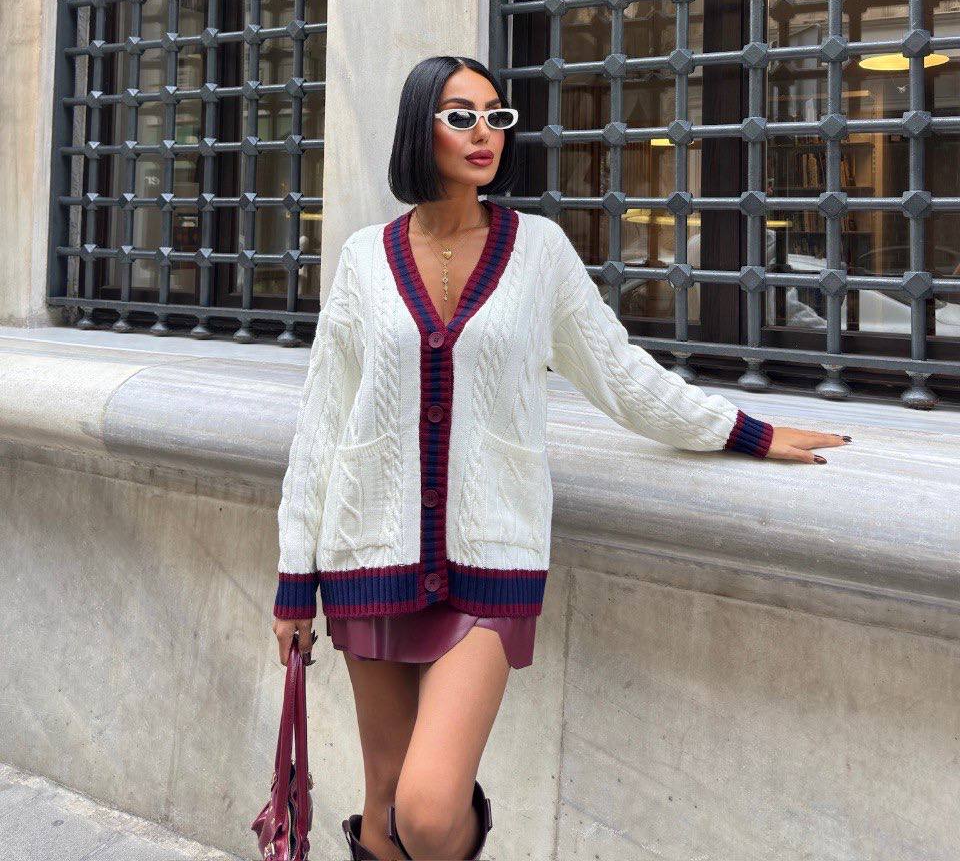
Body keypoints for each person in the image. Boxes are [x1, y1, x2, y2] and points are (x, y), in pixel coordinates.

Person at [272, 54, 850, 861]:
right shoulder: (365, 261)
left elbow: (617, 371)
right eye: (461, 115)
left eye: (496, 117)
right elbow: (321, 425)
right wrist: (294, 582)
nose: (484, 133)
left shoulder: (536, 251)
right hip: (368, 556)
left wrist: (744, 430)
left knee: (430, 810)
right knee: (382, 805)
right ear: (418, 128)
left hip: (491, 560)